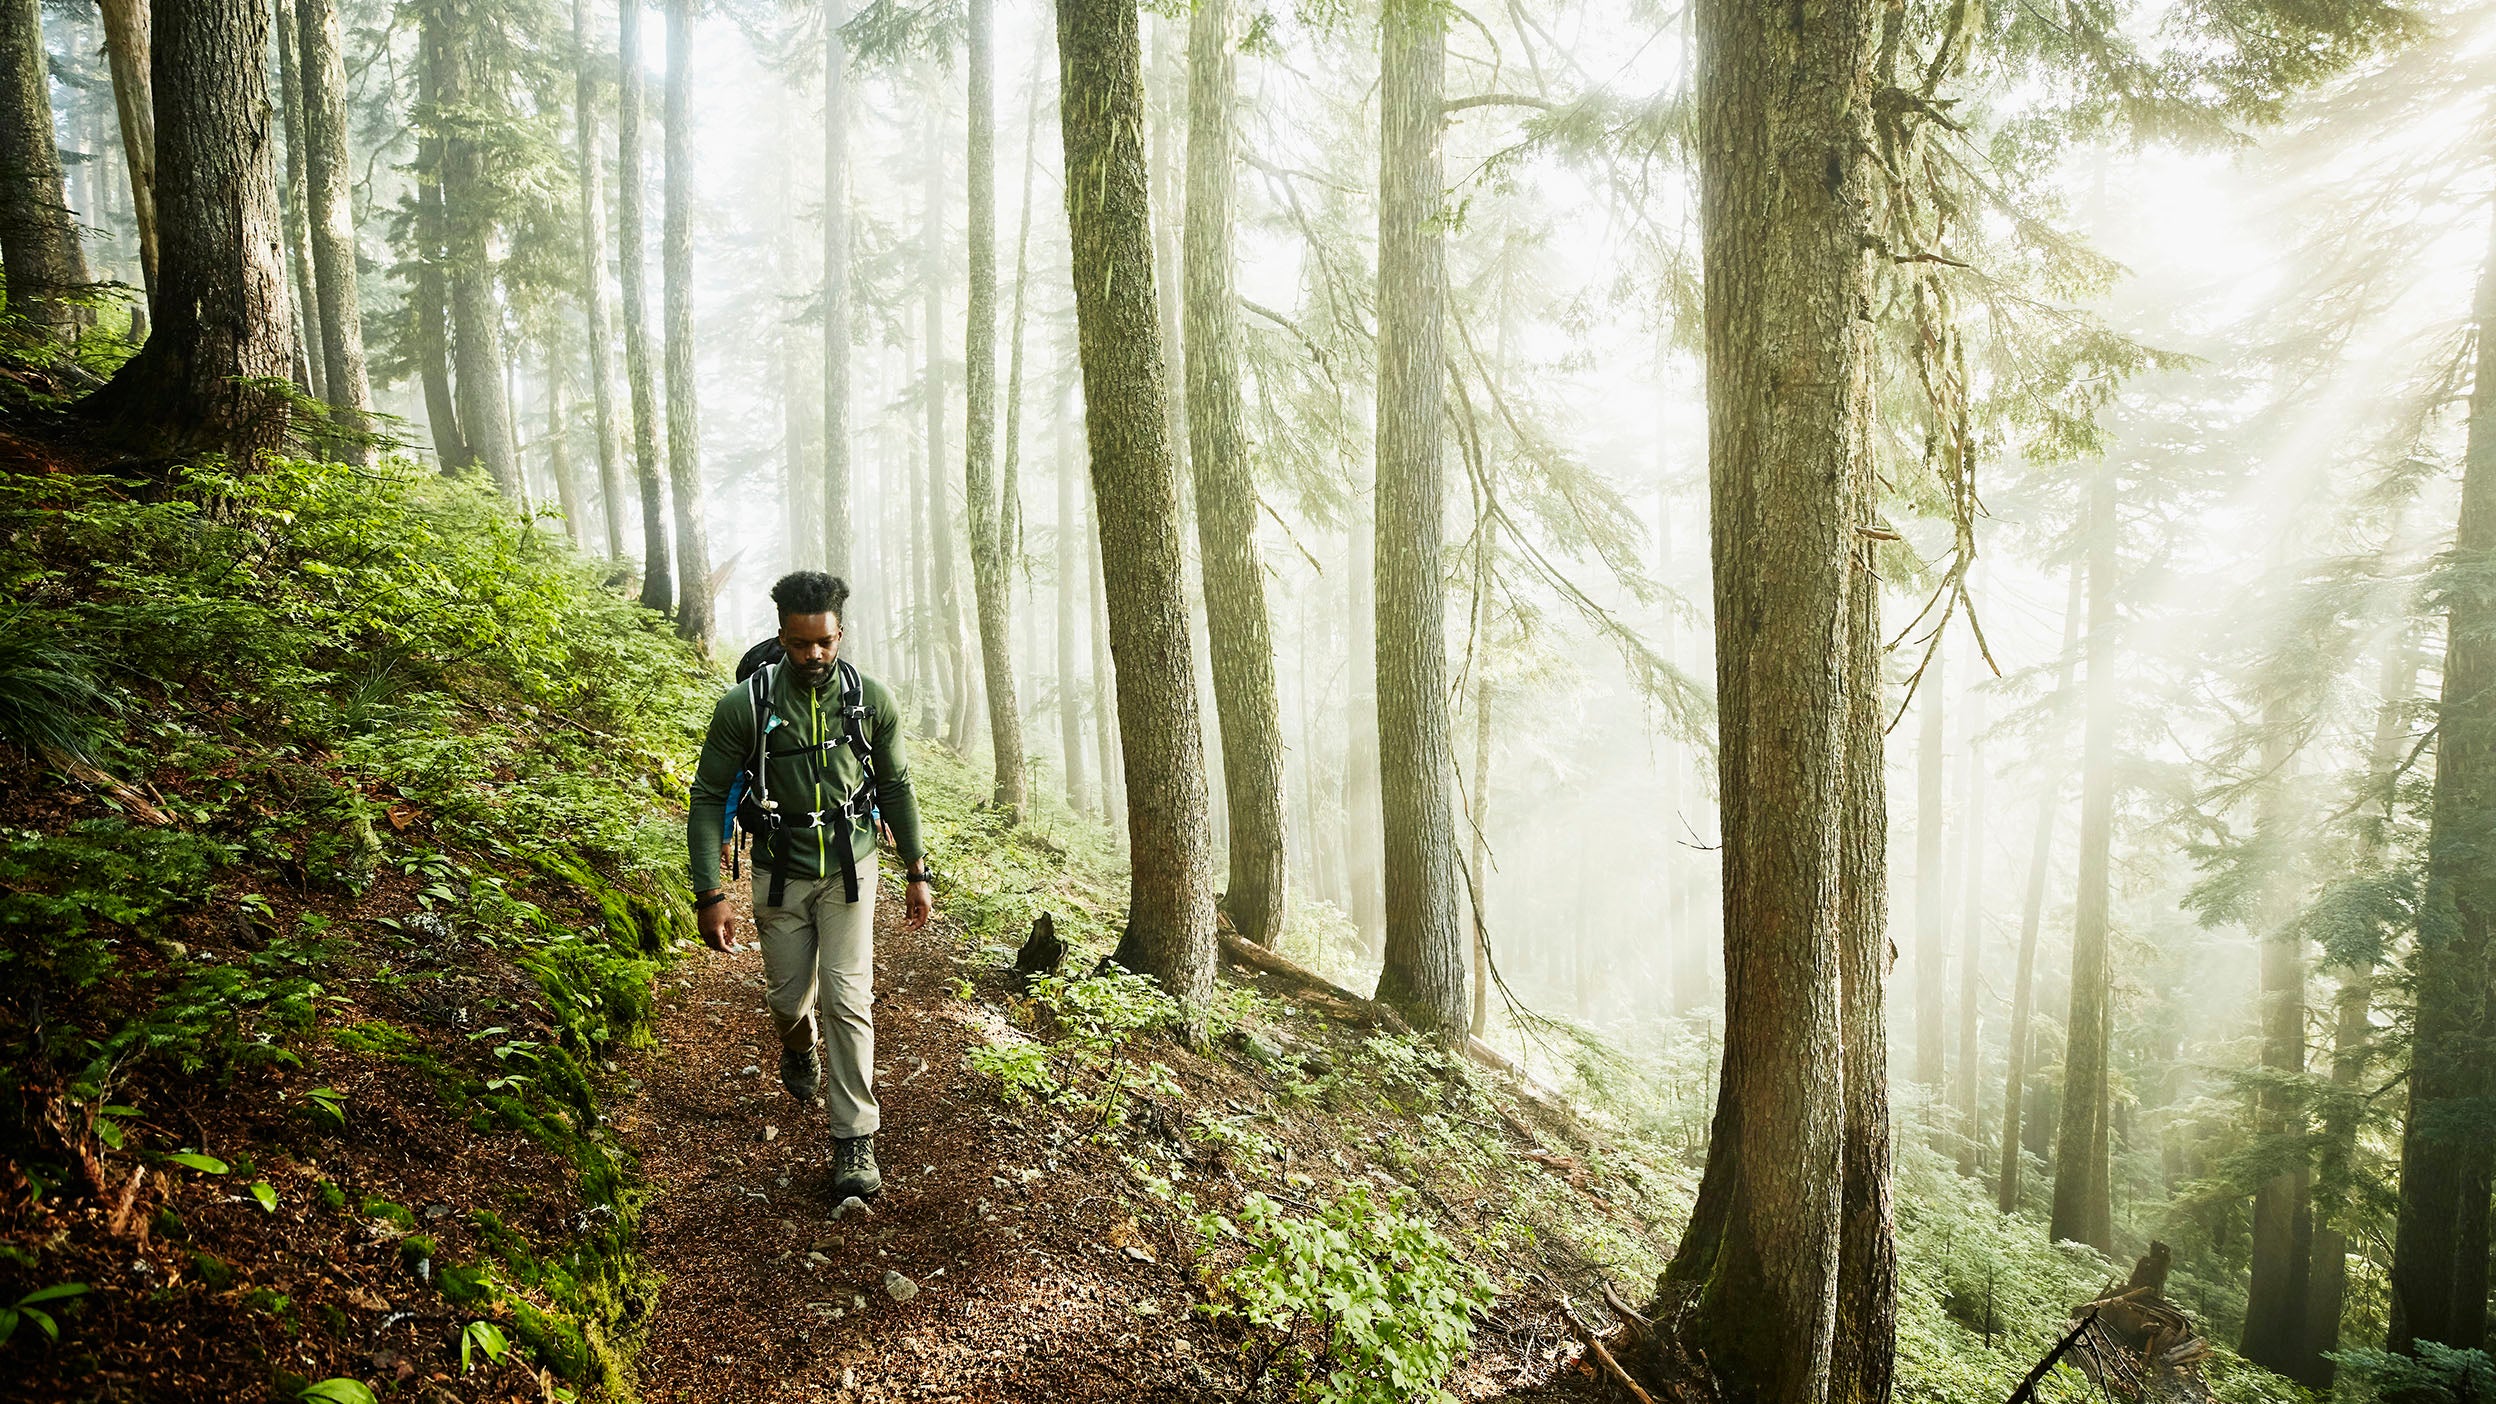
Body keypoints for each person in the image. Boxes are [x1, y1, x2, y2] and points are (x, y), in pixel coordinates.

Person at [686, 571, 934, 1200]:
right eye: (800, 645)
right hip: (778, 871)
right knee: (788, 998)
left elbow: (898, 787)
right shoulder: (745, 705)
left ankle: (854, 1137)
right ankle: (797, 1049)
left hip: (852, 868)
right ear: (782, 636)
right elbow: (709, 793)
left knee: (848, 1002)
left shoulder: (871, 700)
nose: (814, 656)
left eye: (824, 642)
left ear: (839, 633)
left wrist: (917, 871)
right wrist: (710, 893)